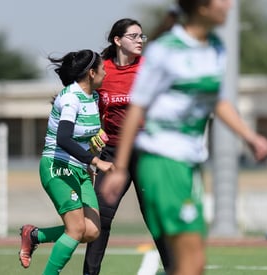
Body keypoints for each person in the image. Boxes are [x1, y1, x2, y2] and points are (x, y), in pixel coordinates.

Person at [101, 1, 267, 274]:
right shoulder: (166, 50)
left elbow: (217, 100)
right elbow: (137, 109)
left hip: (190, 164)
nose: (230, 5)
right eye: (222, 0)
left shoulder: (214, 47)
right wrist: (120, 167)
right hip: (163, 162)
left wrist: (250, 137)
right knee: (188, 260)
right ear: (202, 7)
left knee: (194, 262)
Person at [82, 18, 171, 275]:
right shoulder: (102, 71)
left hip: (146, 153)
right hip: (113, 154)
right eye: (133, 36)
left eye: (142, 36)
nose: (140, 41)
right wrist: (93, 130)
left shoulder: (149, 68)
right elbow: (87, 103)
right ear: (117, 40)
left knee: (156, 218)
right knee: (100, 219)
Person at [18, 49, 115, 274]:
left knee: (91, 231)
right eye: (102, 68)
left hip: (79, 169)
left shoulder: (94, 97)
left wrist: (93, 149)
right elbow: (63, 139)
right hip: (58, 166)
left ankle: (34, 236)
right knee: (76, 229)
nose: (105, 72)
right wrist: (96, 162)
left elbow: (85, 138)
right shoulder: (71, 98)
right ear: (92, 73)